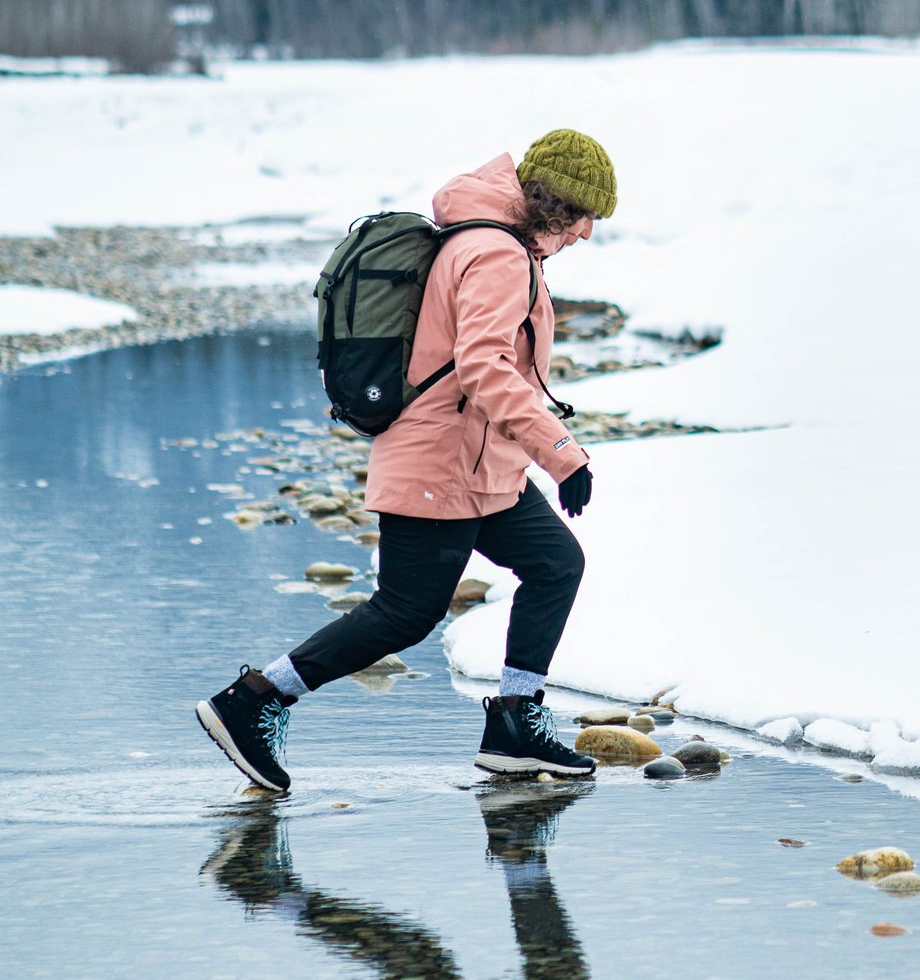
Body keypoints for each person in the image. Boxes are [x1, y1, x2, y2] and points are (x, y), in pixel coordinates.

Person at [196, 130, 618, 792]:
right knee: (405, 612)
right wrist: (561, 452)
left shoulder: (489, 241)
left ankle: (515, 720)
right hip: (442, 465)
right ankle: (254, 699)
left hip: (482, 466)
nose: (586, 232)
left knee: (554, 563)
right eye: (583, 215)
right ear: (553, 203)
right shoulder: (497, 255)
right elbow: (484, 368)